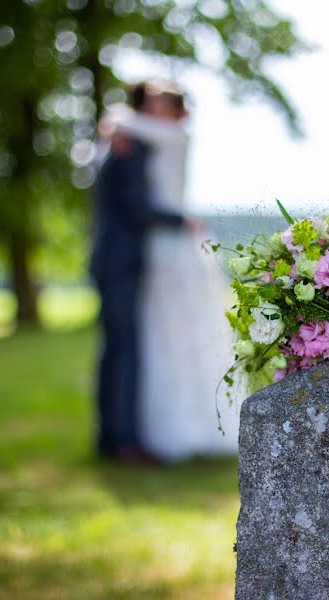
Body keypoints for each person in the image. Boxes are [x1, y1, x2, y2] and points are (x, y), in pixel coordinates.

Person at [101, 81, 239, 462]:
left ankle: (129, 435)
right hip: (154, 244)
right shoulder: (139, 141)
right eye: (152, 103)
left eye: (162, 104)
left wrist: (113, 123)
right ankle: (124, 435)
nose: (155, 111)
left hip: (165, 241)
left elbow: (118, 119)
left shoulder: (164, 136)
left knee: (160, 336)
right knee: (144, 339)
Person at [89, 85, 189, 462]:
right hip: (121, 261)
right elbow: (135, 208)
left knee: (116, 350)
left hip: (114, 260)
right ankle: (123, 441)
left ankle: (112, 438)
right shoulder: (127, 147)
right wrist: (180, 220)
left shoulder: (121, 141)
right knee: (123, 351)